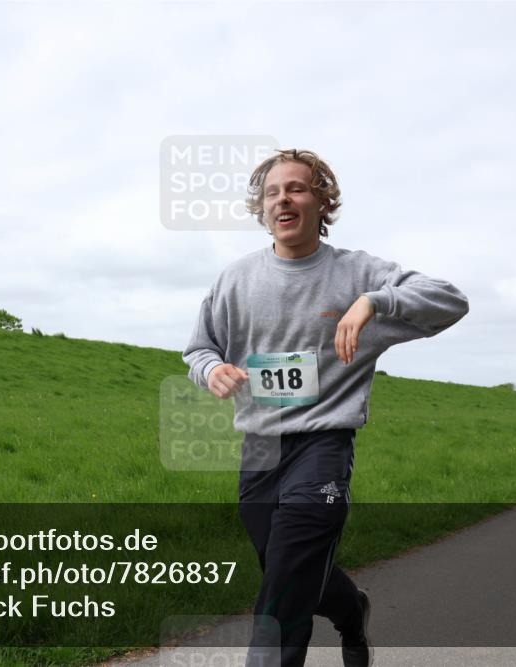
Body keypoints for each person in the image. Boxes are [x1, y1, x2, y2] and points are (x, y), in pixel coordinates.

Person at [182, 149, 470, 667]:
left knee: (285, 586)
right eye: (272, 192)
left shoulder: (358, 273)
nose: (282, 200)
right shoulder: (235, 280)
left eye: (296, 188)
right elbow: (199, 350)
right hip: (260, 449)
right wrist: (212, 370)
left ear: (322, 201)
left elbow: (450, 299)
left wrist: (374, 301)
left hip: (324, 445)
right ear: (262, 208)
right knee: (286, 570)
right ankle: (351, 610)